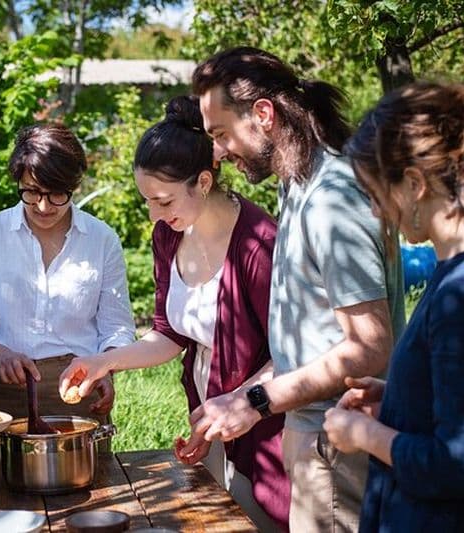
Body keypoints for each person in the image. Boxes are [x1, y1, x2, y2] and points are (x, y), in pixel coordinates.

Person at [188, 47, 405, 532]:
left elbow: (370, 346)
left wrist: (256, 402)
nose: (218, 152)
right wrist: (244, 395)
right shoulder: (297, 185)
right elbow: (311, 336)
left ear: (263, 115)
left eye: (221, 134)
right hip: (317, 438)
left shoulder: (331, 199)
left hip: (341, 444)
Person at [59, 96, 289, 531]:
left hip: (266, 426)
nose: (154, 215)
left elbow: (295, 354)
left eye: (163, 202)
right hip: (213, 418)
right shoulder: (169, 237)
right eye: (147, 201)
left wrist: (243, 403)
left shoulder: (259, 246)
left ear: (203, 181)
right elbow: (169, 334)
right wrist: (102, 361)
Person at [324, 82, 464, 532]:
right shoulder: (448, 276)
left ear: (414, 183)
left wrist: (363, 435)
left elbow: (453, 464)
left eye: (375, 193)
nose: (375, 211)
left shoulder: (457, 296)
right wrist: (400, 397)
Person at [0, 123, 135, 461]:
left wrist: (105, 367)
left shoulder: (101, 239)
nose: (42, 207)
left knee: (87, 494)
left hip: (79, 386)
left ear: (75, 186)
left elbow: (117, 326)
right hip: (4, 389)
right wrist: (0, 354)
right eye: (31, 192)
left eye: (57, 195)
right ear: (18, 183)